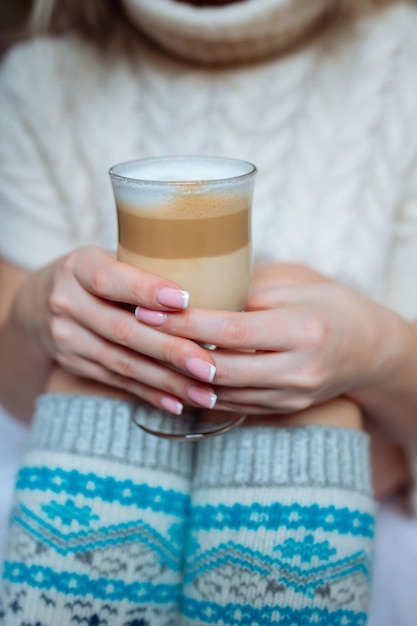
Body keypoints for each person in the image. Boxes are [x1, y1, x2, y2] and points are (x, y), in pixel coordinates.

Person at [0, 0, 416, 624]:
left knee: (305, 386)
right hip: (99, 456)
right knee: (98, 380)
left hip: (345, 484)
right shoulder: (39, 74)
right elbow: (13, 389)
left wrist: (379, 350)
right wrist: (36, 311)